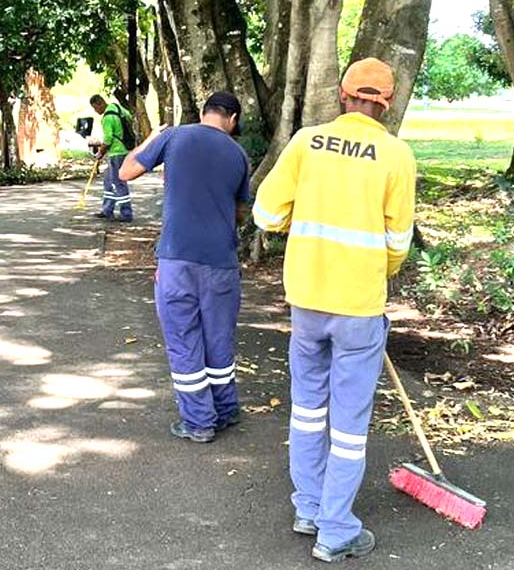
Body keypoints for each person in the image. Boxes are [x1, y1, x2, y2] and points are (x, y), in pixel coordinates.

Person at [253, 58, 416, 563]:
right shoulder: (396, 155)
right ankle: (336, 527)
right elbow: (398, 242)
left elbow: (265, 213)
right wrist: (376, 272)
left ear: (343, 95)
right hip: (359, 307)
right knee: (348, 423)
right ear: (386, 104)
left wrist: (294, 223)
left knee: (307, 409)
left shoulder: (306, 142)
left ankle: (308, 507)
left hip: (307, 301)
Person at [120, 91, 251, 443]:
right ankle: (225, 409)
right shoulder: (239, 154)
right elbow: (240, 213)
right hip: (222, 262)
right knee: (219, 338)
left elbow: (126, 171)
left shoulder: (174, 136)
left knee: (184, 338)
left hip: (177, 259)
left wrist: (150, 137)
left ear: (204, 112)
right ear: (233, 120)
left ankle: (198, 422)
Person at [89, 95, 134, 222]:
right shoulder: (119, 109)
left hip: (116, 153)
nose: (95, 111)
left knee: (118, 182)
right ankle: (107, 210)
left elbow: (108, 139)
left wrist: (100, 153)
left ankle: (126, 213)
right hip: (125, 149)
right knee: (108, 181)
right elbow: (130, 119)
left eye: (94, 107)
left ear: (99, 103)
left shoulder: (107, 117)